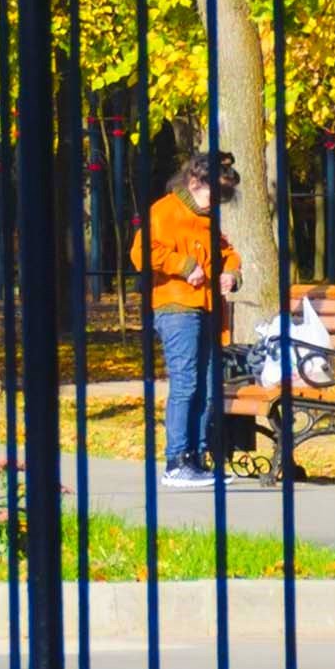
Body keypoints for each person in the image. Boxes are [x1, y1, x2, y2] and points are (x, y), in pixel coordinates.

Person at [132, 148, 241, 485]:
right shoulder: (165, 211)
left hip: (208, 307)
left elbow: (227, 252)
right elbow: (141, 252)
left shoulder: (208, 219)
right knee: (186, 382)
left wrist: (232, 273)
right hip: (176, 307)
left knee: (208, 387)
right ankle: (177, 460)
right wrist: (184, 266)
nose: (216, 203)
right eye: (214, 194)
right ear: (194, 181)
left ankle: (197, 456)